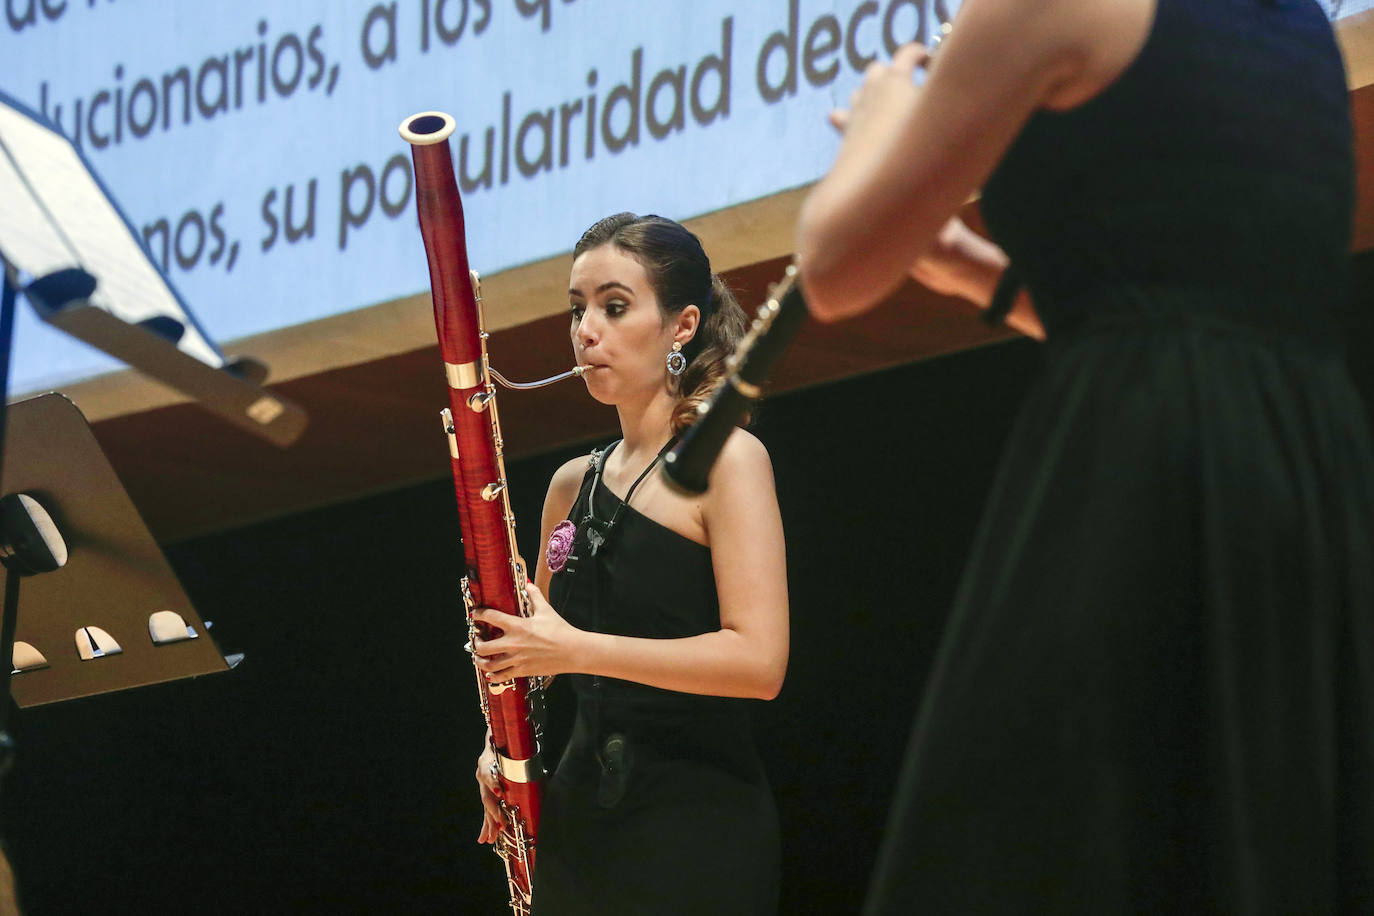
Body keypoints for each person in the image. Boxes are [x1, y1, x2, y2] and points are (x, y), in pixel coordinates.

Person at [796, 0, 1374, 911]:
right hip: (1302, 460)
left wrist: (877, 121)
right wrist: (963, 266)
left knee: (1053, 841)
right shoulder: (1297, 21)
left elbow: (835, 269)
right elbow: (1158, 307)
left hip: (1145, 465)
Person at [469, 213, 789, 915]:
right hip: (580, 823)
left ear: (682, 326)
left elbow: (759, 663)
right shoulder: (566, 485)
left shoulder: (728, 461)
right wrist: (502, 749)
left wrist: (578, 648)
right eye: (577, 309)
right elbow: (539, 665)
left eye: (614, 307)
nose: (587, 330)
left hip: (695, 825)